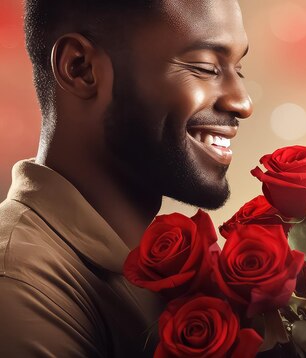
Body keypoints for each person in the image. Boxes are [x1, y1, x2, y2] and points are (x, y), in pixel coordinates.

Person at [0, 0, 252, 356]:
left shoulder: (162, 268)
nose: (243, 102)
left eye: (238, 68)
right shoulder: (19, 284)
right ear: (80, 68)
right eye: (205, 67)